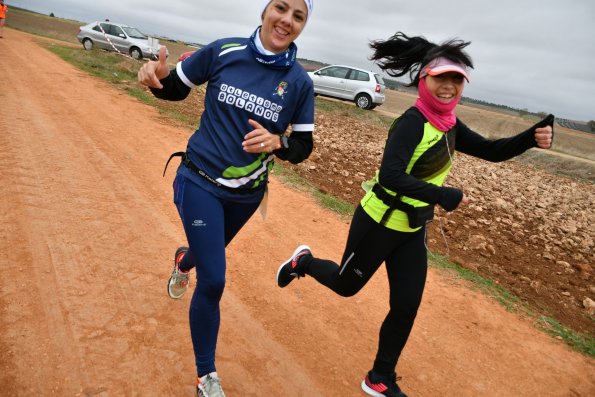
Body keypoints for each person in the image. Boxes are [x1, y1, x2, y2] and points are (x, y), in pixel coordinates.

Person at [275, 31, 554, 397]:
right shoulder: (412, 122)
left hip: (411, 228)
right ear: (425, 79)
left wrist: (530, 137)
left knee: (406, 303)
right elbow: (391, 175)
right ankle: (305, 262)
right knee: (346, 286)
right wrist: (443, 195)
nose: (449, 86)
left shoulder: (450, 126)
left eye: (457, 80)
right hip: (378, 221)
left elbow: (491, 150)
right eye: (443, 78)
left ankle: (379, 377)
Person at [138, 0, 314, 396]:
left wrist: (278, 142)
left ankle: (185, 259)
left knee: (205, 253)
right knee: (214, 279)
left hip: (246, 196)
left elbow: (303, 144)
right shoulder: (224, 51)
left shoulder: (300, 83)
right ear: (265, 11)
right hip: (198, 180)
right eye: (281, 8)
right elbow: (175, 90)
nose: (286, 20)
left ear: (302, 26)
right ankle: (206, 377)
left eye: (298, 16)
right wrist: (156, 80)